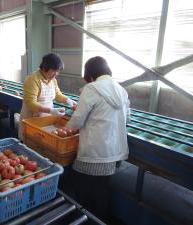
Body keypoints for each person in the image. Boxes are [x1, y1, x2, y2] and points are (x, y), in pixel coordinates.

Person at [65, 56, 130, 221]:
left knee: (83, 189)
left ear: (90, 75)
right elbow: (127, 119)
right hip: (113, 153)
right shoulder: (121, 90)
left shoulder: (92, 88)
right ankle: (100, 220)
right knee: (102, 190)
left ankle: (80, 218)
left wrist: (64, 130)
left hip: (93, 151)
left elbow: (78, 120)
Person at [18, 53, 77, 140]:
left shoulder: (53, 80)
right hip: (31, 119)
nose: (56, 74)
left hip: (46, 119)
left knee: (43, 144)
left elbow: (57, 95)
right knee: (31, 142)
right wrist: (51, 110)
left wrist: (68, 100)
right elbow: (31, 103)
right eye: (54, 70)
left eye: (58, 71)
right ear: (45, 67)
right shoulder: (32, 80)